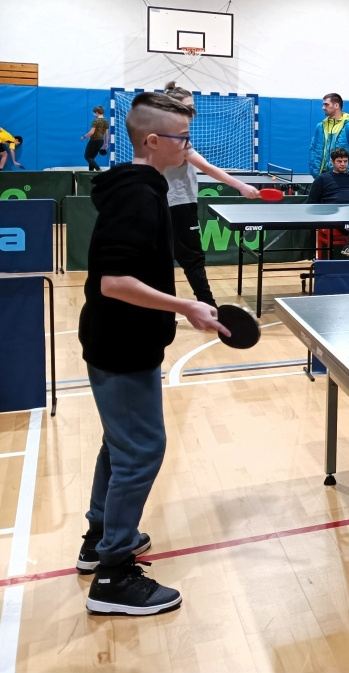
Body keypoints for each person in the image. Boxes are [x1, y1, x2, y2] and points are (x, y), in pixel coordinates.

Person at [77, 91, 228, 616]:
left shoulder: (142, 186)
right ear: (153, 141)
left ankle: (98, 539)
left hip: (121, 339)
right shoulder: (138, 197)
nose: (189, 146)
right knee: (142, 451)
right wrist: (187, 306)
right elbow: (114, 282)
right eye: (182, 138)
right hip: (122, 343)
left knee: (119, 445)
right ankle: (114, 575)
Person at [161, 82, 261, 307]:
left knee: (162, 260)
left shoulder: (155, 133)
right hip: (179, 204)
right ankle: (209, 309)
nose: (193, 112)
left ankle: (164, 314)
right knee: (193, 260)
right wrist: (241, 186)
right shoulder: (176, 138)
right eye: (188, 108)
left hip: (160, 203)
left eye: (192, 107)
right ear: (173, 109)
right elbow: (206, 167)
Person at [307, 147, 349, 258]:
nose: (343, 164)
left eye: (345, 161)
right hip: (333, 214)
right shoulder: (322, 179)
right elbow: (312, 202)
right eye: (339, 161)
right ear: (332, 162)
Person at [308, 93, 349, 175]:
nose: (323, 107)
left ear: (336, 105)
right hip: (320, 174)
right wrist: (313, 169)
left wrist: (348, 170)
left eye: (326, 104)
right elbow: (313, 148)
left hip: (341, 175)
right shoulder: (320, 126)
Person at [81, 106, 110, 171]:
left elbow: (91, 132)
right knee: (92, 158)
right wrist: (106, 143)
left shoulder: (95, 121)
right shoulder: (105, 121)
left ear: (97, 112)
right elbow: (107, 134)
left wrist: (84, 137)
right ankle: (91, 172)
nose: (94, 114)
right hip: (101, 141)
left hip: (94, 141)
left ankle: (98, 170)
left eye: (94, 113)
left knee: (87, 157)